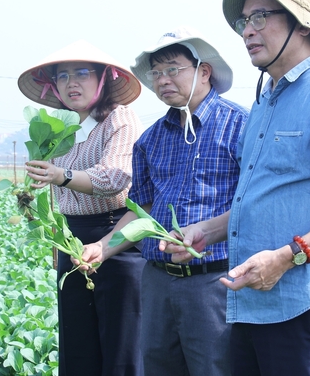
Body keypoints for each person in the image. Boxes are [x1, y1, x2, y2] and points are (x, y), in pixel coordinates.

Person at [163, 0, 310, 375]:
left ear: (302, 24)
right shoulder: (265, 99)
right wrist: (207, 231)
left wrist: (288, 256)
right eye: (243, 22)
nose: (248, 31)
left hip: (305, 305)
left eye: (260, 17)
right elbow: (264, 199)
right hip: (250, 306)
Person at [79, 26, 249, 376]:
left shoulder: (241, 126)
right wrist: (102, 247)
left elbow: (255, 203)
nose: (163, 80)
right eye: (157, 73)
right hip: (156, 280)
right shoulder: (151, 139)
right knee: (158, 367)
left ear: (204, 71)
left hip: (214, 279)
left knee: (216, 368)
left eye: (173, 69)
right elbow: (142, 212)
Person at [17, 40, 145, 376]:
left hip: (116, 239)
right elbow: (51, 184)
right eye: (62, 76)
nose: (71, 82)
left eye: (82, 73)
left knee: (121, 351)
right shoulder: (62, 130)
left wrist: (61, 175)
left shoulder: (120, 119)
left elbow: (115, 177)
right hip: (72, 242)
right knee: (78, 349)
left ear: (104, 79)